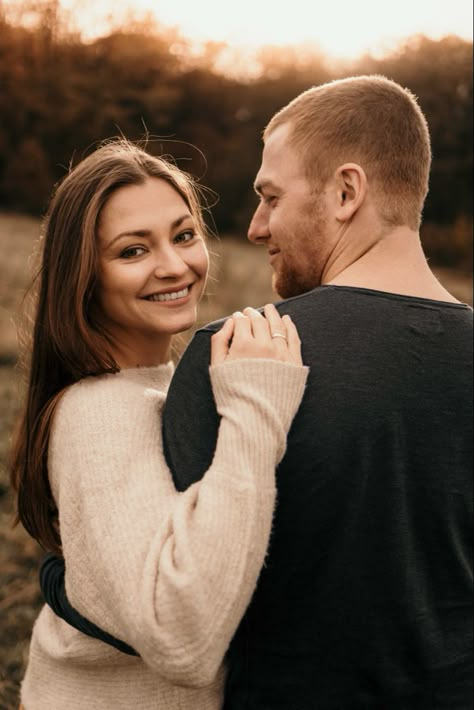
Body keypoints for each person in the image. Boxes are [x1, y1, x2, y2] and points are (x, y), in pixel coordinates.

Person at [42, 75, 473, 709]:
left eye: (270, 197)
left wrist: (63, 580)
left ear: (347, 191)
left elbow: (190, 597)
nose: (255, 226)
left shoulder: (233, 365)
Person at [10, 139, 309, 710]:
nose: (174, 265)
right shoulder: (97, 411)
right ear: (83, 274)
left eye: (184, 234)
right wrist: (257, 408)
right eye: (132, 251)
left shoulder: (159, 383)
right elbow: (182, 641)